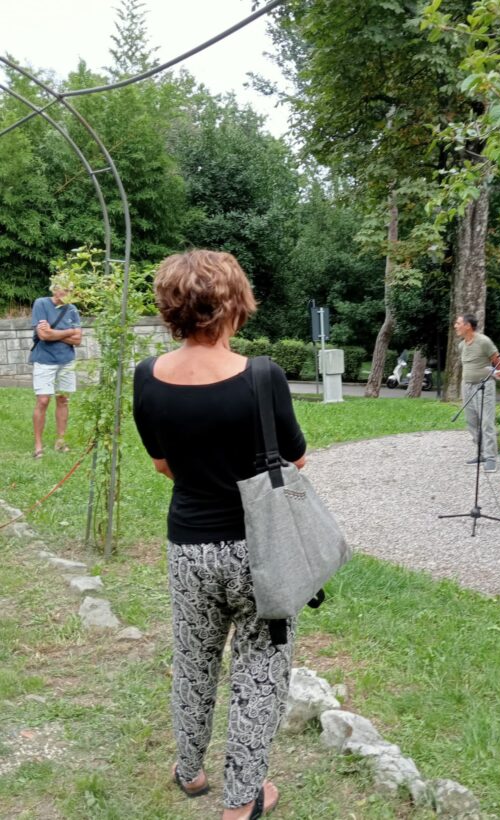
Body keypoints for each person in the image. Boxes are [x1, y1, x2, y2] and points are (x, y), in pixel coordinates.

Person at [132, 250, 307, 820]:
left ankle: (190, 770)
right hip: (261, 551)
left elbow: (163, 464)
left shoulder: (147, 376)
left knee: (194, 659)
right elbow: (296, 460)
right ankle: (242, 801)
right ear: (234, 303)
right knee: (261, 670)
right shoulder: (263, 376)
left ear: (171, 307)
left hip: (188, 546)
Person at [30, 274, 82, 459]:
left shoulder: (72, 309)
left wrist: (54, 332)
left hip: (66, 361)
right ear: (55, 289)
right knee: (43, 400)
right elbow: (43, 336)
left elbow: (78, 340)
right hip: (45, 360)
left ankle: (60, 441)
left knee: (63, 400)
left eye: (70, 290)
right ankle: (38, 445)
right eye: (65, 289)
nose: (68, 293)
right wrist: (69, 332)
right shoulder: (41, 304)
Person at [454, 313, 500, 472]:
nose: (455, 326)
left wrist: (491, 374)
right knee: (472, 422)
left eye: (458, 323)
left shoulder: (484, 341)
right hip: (466, 386)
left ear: (468, 326)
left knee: (486, 421)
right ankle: (481, 453)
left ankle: (491, 458)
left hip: (484, 386)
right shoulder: (462, 345)